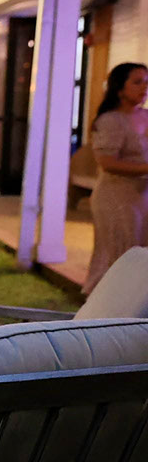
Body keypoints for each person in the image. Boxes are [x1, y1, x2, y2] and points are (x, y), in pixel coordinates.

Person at [84, 62, 148, 293]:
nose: (144, 88)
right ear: (120, 88)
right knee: (119, 254)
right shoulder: (111, 120)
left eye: (146, 82)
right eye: (137, 82)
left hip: (143, 196)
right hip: (117, 197)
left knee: (141, 256)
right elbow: (107, 163)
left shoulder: (145, 116)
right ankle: (108, 307)